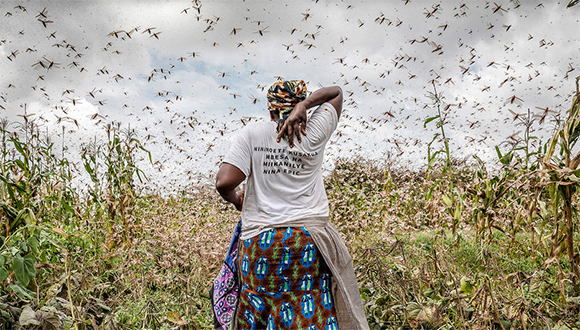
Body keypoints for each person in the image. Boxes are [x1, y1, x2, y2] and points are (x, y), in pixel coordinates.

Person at [216, 80, 369, 330]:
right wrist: (306, 106)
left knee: (261, 310)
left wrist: (237, 200)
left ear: (271, 110)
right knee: (311, 312)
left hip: (262, 245)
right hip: (309, 243)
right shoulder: (316, 130)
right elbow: (337, 92)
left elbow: (224, 182)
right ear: (300, 107)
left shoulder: (253, 134)